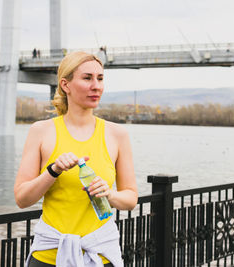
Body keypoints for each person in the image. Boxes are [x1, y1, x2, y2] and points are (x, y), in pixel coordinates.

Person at [14, 51, 138, 267]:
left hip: (100, 257)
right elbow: (22, 199)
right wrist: (52, 171)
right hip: (48, 257)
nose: (96, 86)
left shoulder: (117, 134)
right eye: (87, 78)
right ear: (65, 85)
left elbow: (131, 199)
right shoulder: (41, 131)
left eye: (100, 79)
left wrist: (109, 194)